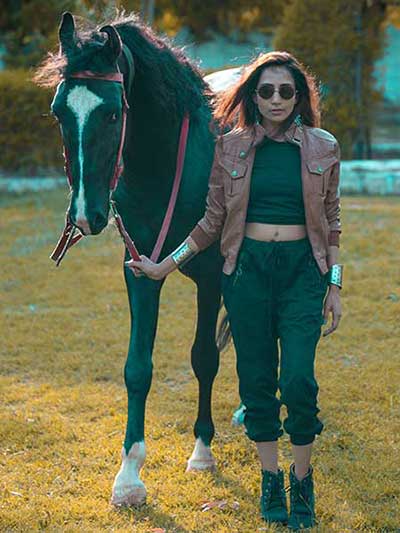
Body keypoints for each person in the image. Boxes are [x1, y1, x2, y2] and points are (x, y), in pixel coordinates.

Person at [125, 51, 343, 530]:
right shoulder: (231, 148)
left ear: (299, 96)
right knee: (257, 384)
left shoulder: (323, 146)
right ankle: (271, 479)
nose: (276, 99)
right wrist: (166, 265)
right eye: (266, 91)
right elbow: (210, 223)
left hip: (303, 273)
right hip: (246, 273)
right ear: (252, 96)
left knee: (300, 383)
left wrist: (335, 284)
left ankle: (301, 481)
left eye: (286, 90)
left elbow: (332, 222)